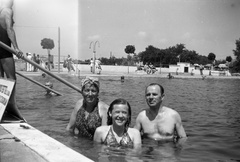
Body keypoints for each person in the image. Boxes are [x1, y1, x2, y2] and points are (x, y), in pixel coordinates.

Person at [0, 0, 24, 120]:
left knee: (1, 77)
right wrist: (16, 48)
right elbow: (9, 29)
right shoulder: (7, 11)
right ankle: (11, 105)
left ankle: (2, 105)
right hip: (4, 47)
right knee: (11, 78)